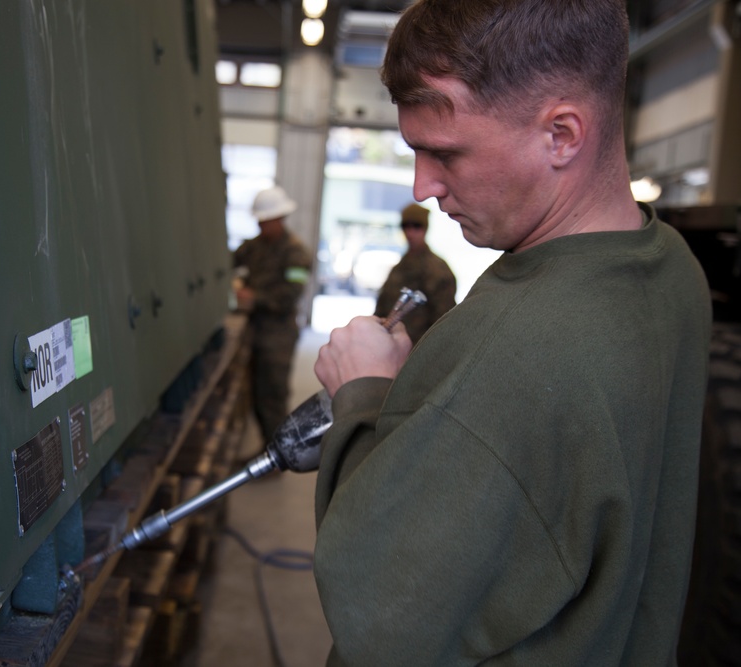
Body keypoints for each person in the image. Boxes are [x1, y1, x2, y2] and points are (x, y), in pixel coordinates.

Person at [311, 0, 712, 665]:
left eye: (444, 152)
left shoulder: (517, 347)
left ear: (560, 134)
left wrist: (366, 395)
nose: (423, 185)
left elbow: (378, 616)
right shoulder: (669, 268)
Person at [233, 185, 313, 443]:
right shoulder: (255, 246)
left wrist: (254, 298)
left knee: (273, 396)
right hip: (254, 330)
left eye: (266, 221)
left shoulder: (295, 253)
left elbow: (291, 295)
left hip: (278, 335)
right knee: (256, 393)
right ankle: (266, 450)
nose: (261, 226)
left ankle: (278, 456)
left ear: (279, 218)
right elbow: (229, 263)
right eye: (259, 221)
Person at [374, 203, 456, 341]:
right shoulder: (400, 266)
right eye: (405, 226)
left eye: (416, 226)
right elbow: (383, 307)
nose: (410, 233)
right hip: (391, 347)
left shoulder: (437, 269)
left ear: (425, 229)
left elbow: (444, 321)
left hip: (419, 349)